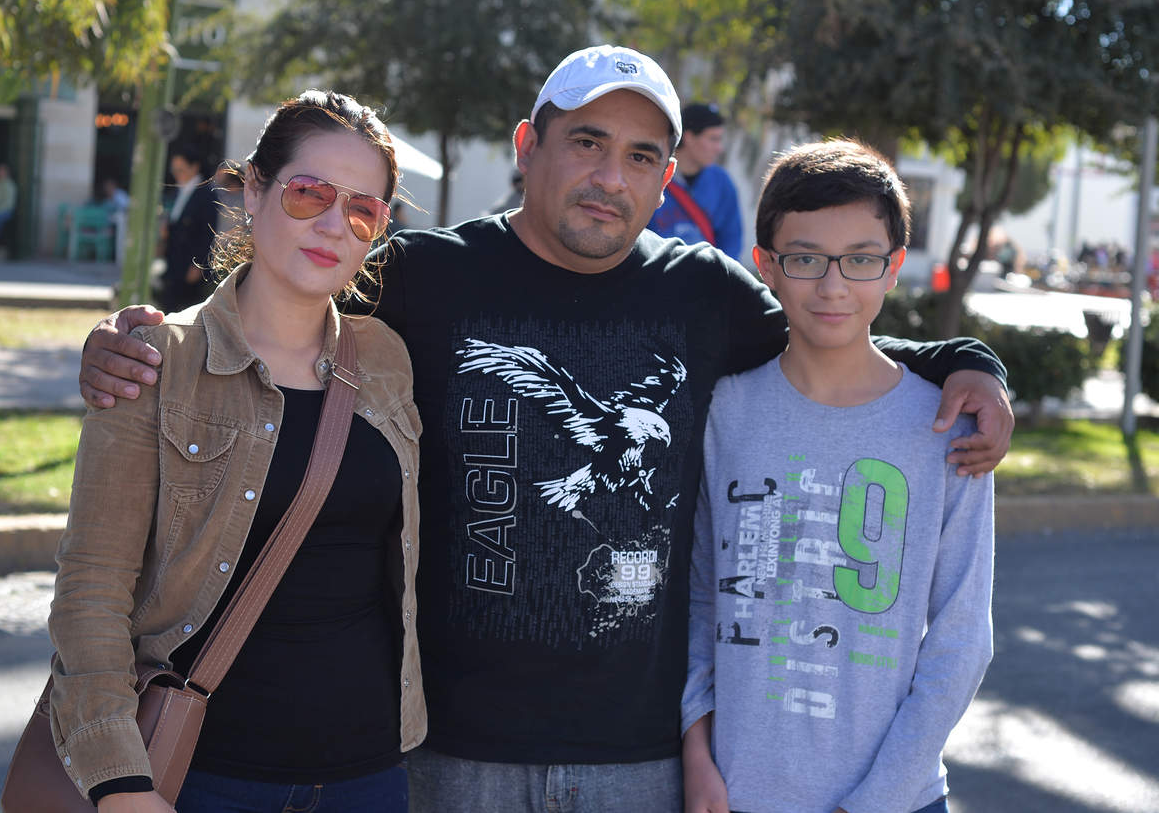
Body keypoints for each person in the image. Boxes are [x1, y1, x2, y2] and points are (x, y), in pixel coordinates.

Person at [76, 45, 1014, 813]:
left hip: (641, 763)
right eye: (587, 142)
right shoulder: (421, 275)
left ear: (666, 177)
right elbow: (280, 299)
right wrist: (134, 343)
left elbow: (831, 327)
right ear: (529, 145)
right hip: (448, 755)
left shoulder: (704, 292)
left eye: (641, 156)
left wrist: (967, 360)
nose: (610, 177)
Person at [47, 90, 425, 813]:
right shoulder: (156, 360)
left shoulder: (387, 360)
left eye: (363, 210)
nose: (333, 225)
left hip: (369, 775)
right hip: (201, 779)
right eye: (309, 192)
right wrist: (121, 784)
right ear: (253, 189)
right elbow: (91, 590)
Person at [681, 140, 993, 813]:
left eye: (860, 259)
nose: (833, 285)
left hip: (895, 800)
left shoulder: (951, 425)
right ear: (766, 266)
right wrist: (695, 749)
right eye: (805, 259)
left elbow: (962, 639)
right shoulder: (724, 412)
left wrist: (874, 802)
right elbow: (701, 596)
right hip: (733, 793)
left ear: (894, 267)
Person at [647, 102, 744, 260]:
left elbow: (731, 241)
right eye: (713, 139)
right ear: (689, 138)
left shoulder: (722, 183)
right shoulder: (653, 175)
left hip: (706, 272)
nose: (719, 148)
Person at [158, 144, 220, 313]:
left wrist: (199, 265)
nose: (177, 174)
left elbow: (208, 233)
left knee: (186, 310)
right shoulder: (179, 191)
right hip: (174, 259)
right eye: (175, 170)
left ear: (194, 167)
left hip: (191, 263)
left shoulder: (206, 193)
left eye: (181, 170)